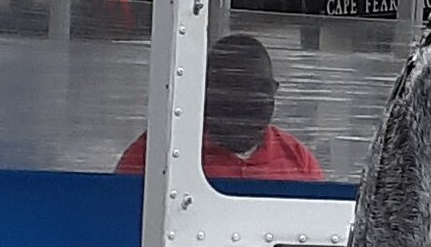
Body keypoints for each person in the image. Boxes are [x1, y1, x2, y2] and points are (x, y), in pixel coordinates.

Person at [115, 33, 325, 182]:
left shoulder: (298, 159)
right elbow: (117, 219)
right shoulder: (155, 155)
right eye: (236, 90)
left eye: (261, 90)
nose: (248, 104)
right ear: (206, 93)